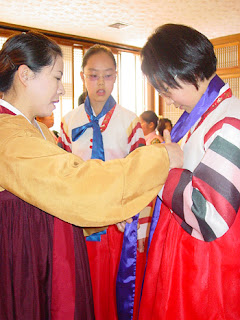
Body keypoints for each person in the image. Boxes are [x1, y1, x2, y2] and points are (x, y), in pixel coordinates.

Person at [0, 31, 183, 320]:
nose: (62, 89)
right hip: (26, 260)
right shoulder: (7, 135)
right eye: (58, 77)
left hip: (71, 241)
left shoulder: (39, 131)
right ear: (25, 75)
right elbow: (75, 183)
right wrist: (161, 157)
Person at [137, 23, 240, 320]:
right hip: (186, 249)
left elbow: (211, 216)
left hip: (207, 263)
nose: (168, 100)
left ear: (191, 71)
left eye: (168, 89)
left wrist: (166, 166)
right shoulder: (205, 116)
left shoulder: (230, 120)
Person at [58, 44, 152, 320]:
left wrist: (125, 210)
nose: (101, 82)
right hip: (79, 224)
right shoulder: (67, 122)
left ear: (116, 76)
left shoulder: (130, 122)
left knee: (113, 294)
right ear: (82, 76)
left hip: (117, 224)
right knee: (81, 291)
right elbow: (61, 176)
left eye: (108, 75)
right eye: (93, 75)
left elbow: (141, 175)